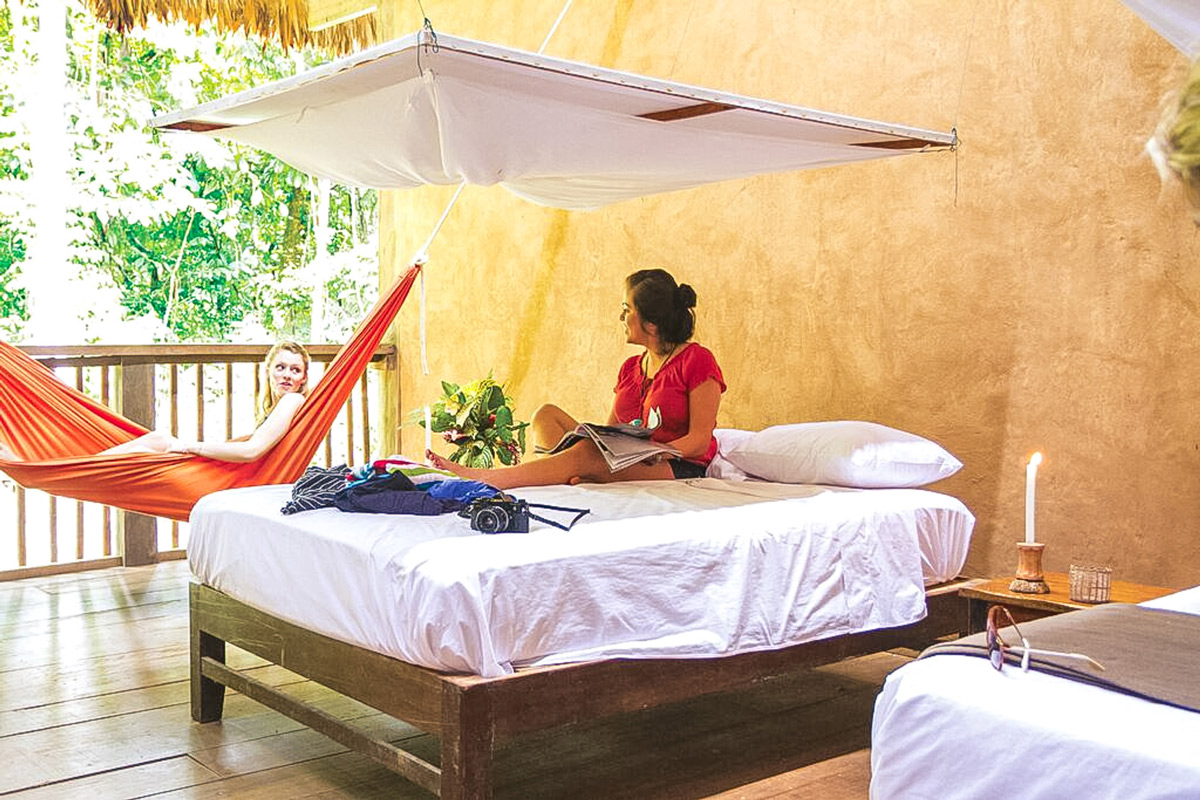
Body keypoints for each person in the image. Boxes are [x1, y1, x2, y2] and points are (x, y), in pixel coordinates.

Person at [427, 269, 725, 490]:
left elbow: (699, 442)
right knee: (546, 416)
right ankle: (575, 473)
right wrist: (602, 442)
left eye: (626, 310)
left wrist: (656, 453)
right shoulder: (631, 367)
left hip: (676, 466)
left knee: (586, 453)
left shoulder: (696, 361)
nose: (621, 318)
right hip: (630, 457)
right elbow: (612, 431)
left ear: (651, 322)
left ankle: (489, 479)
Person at [0, 341, 311, 463]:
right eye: (280, 367)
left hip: (240, 480)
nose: (286, 375)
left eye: (295, 369)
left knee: (163, 440)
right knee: (160, 440)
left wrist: (192, 446)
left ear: (303, 377)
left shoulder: (291, 401)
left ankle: (55, 467)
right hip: (241, 474)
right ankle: (64, 466)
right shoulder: (281, 403)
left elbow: (251, 451)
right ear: (268, 371)